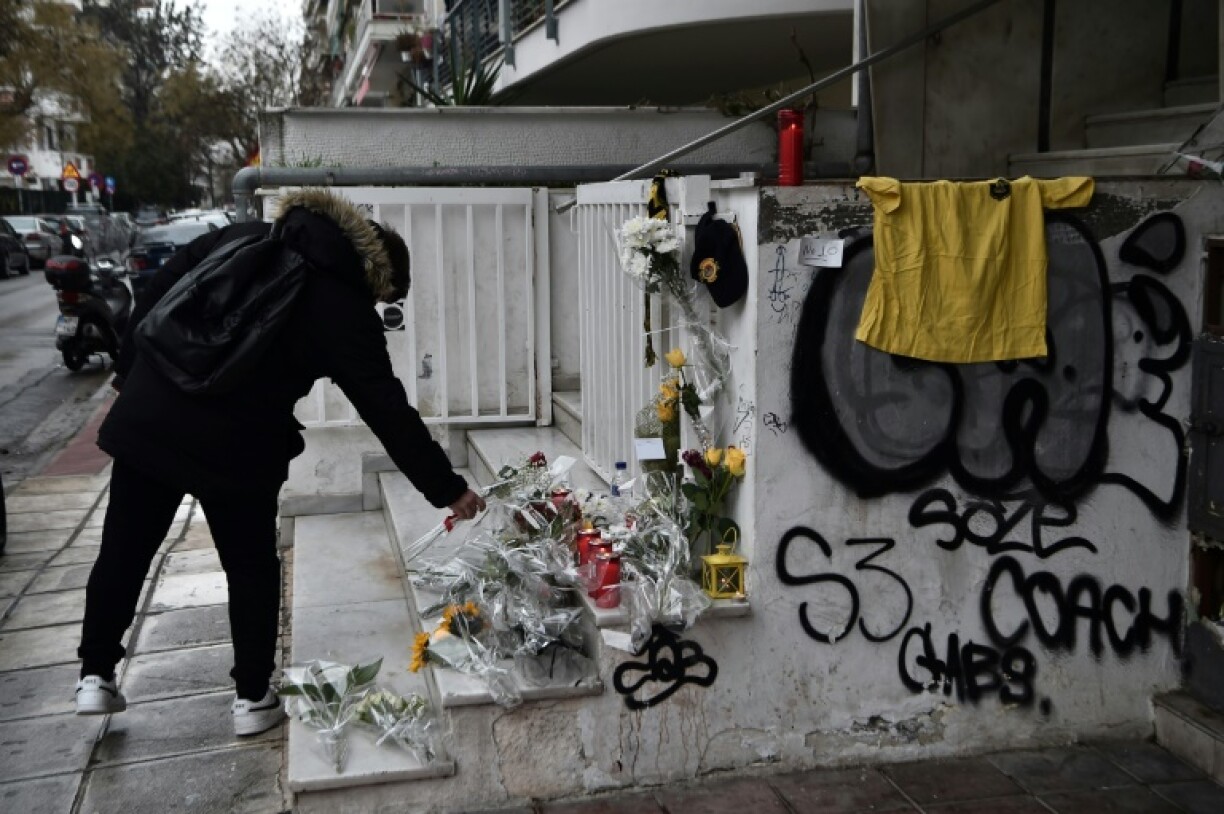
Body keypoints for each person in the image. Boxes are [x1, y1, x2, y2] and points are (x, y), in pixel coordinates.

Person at [74, 188, 485, 736]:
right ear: (379, 278)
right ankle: (250, 698)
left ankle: (95, 675)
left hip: (155, 411)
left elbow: (163, 283)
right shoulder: (345, 308)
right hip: (238, 445)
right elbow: (385, 407)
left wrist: (130, 372)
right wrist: (448, 488)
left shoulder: (245, 237)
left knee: (124, 551)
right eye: (388, 296)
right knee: (249, 569)